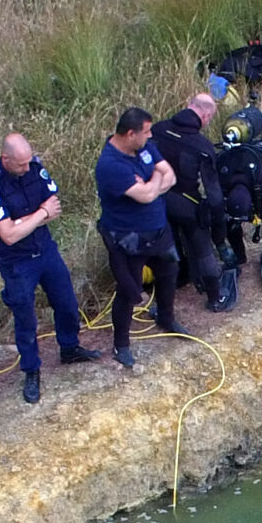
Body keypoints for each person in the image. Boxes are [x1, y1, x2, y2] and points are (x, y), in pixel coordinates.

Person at [0, 133, 100, 405]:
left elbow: (54, 204)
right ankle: (31, 370)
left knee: (67, 303)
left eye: (28, 162)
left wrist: (26, 222)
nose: (26, 168)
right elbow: (9, 235)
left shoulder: (34, 167)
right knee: (25, 318)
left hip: (46, 250)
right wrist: (40, 215)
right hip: (17, 261)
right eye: (20, 164)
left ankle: (69, 348)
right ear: (5, 159)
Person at [93, 106, 182, 371]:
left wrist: (150, 184)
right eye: (146, 132)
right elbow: (145, 195)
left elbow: (170, 177)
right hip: (128, 238)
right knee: (129, 292)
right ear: (130, 134)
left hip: (158, 230)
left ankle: (166, 318)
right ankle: (121, 344)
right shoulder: (110, 164)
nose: (150, 135)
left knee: (169, 275)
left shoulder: (144, 148)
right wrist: (154, 182)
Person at [152, 93, 236, 313]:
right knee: (202, 247)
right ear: (206, 116)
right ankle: (216, 297)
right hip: (185, 203)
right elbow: (215, 197)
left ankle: (173, 289)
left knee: (167, 247)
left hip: (156, 200)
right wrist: (219, 237)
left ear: (189, 106)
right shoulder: (201, 145)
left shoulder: (158, 129)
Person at [216, 111, 262, 288]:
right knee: (230, 222)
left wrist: (260, 215)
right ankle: (239, 255)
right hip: (237, 189)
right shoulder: (222, 180)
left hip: (260, 194)